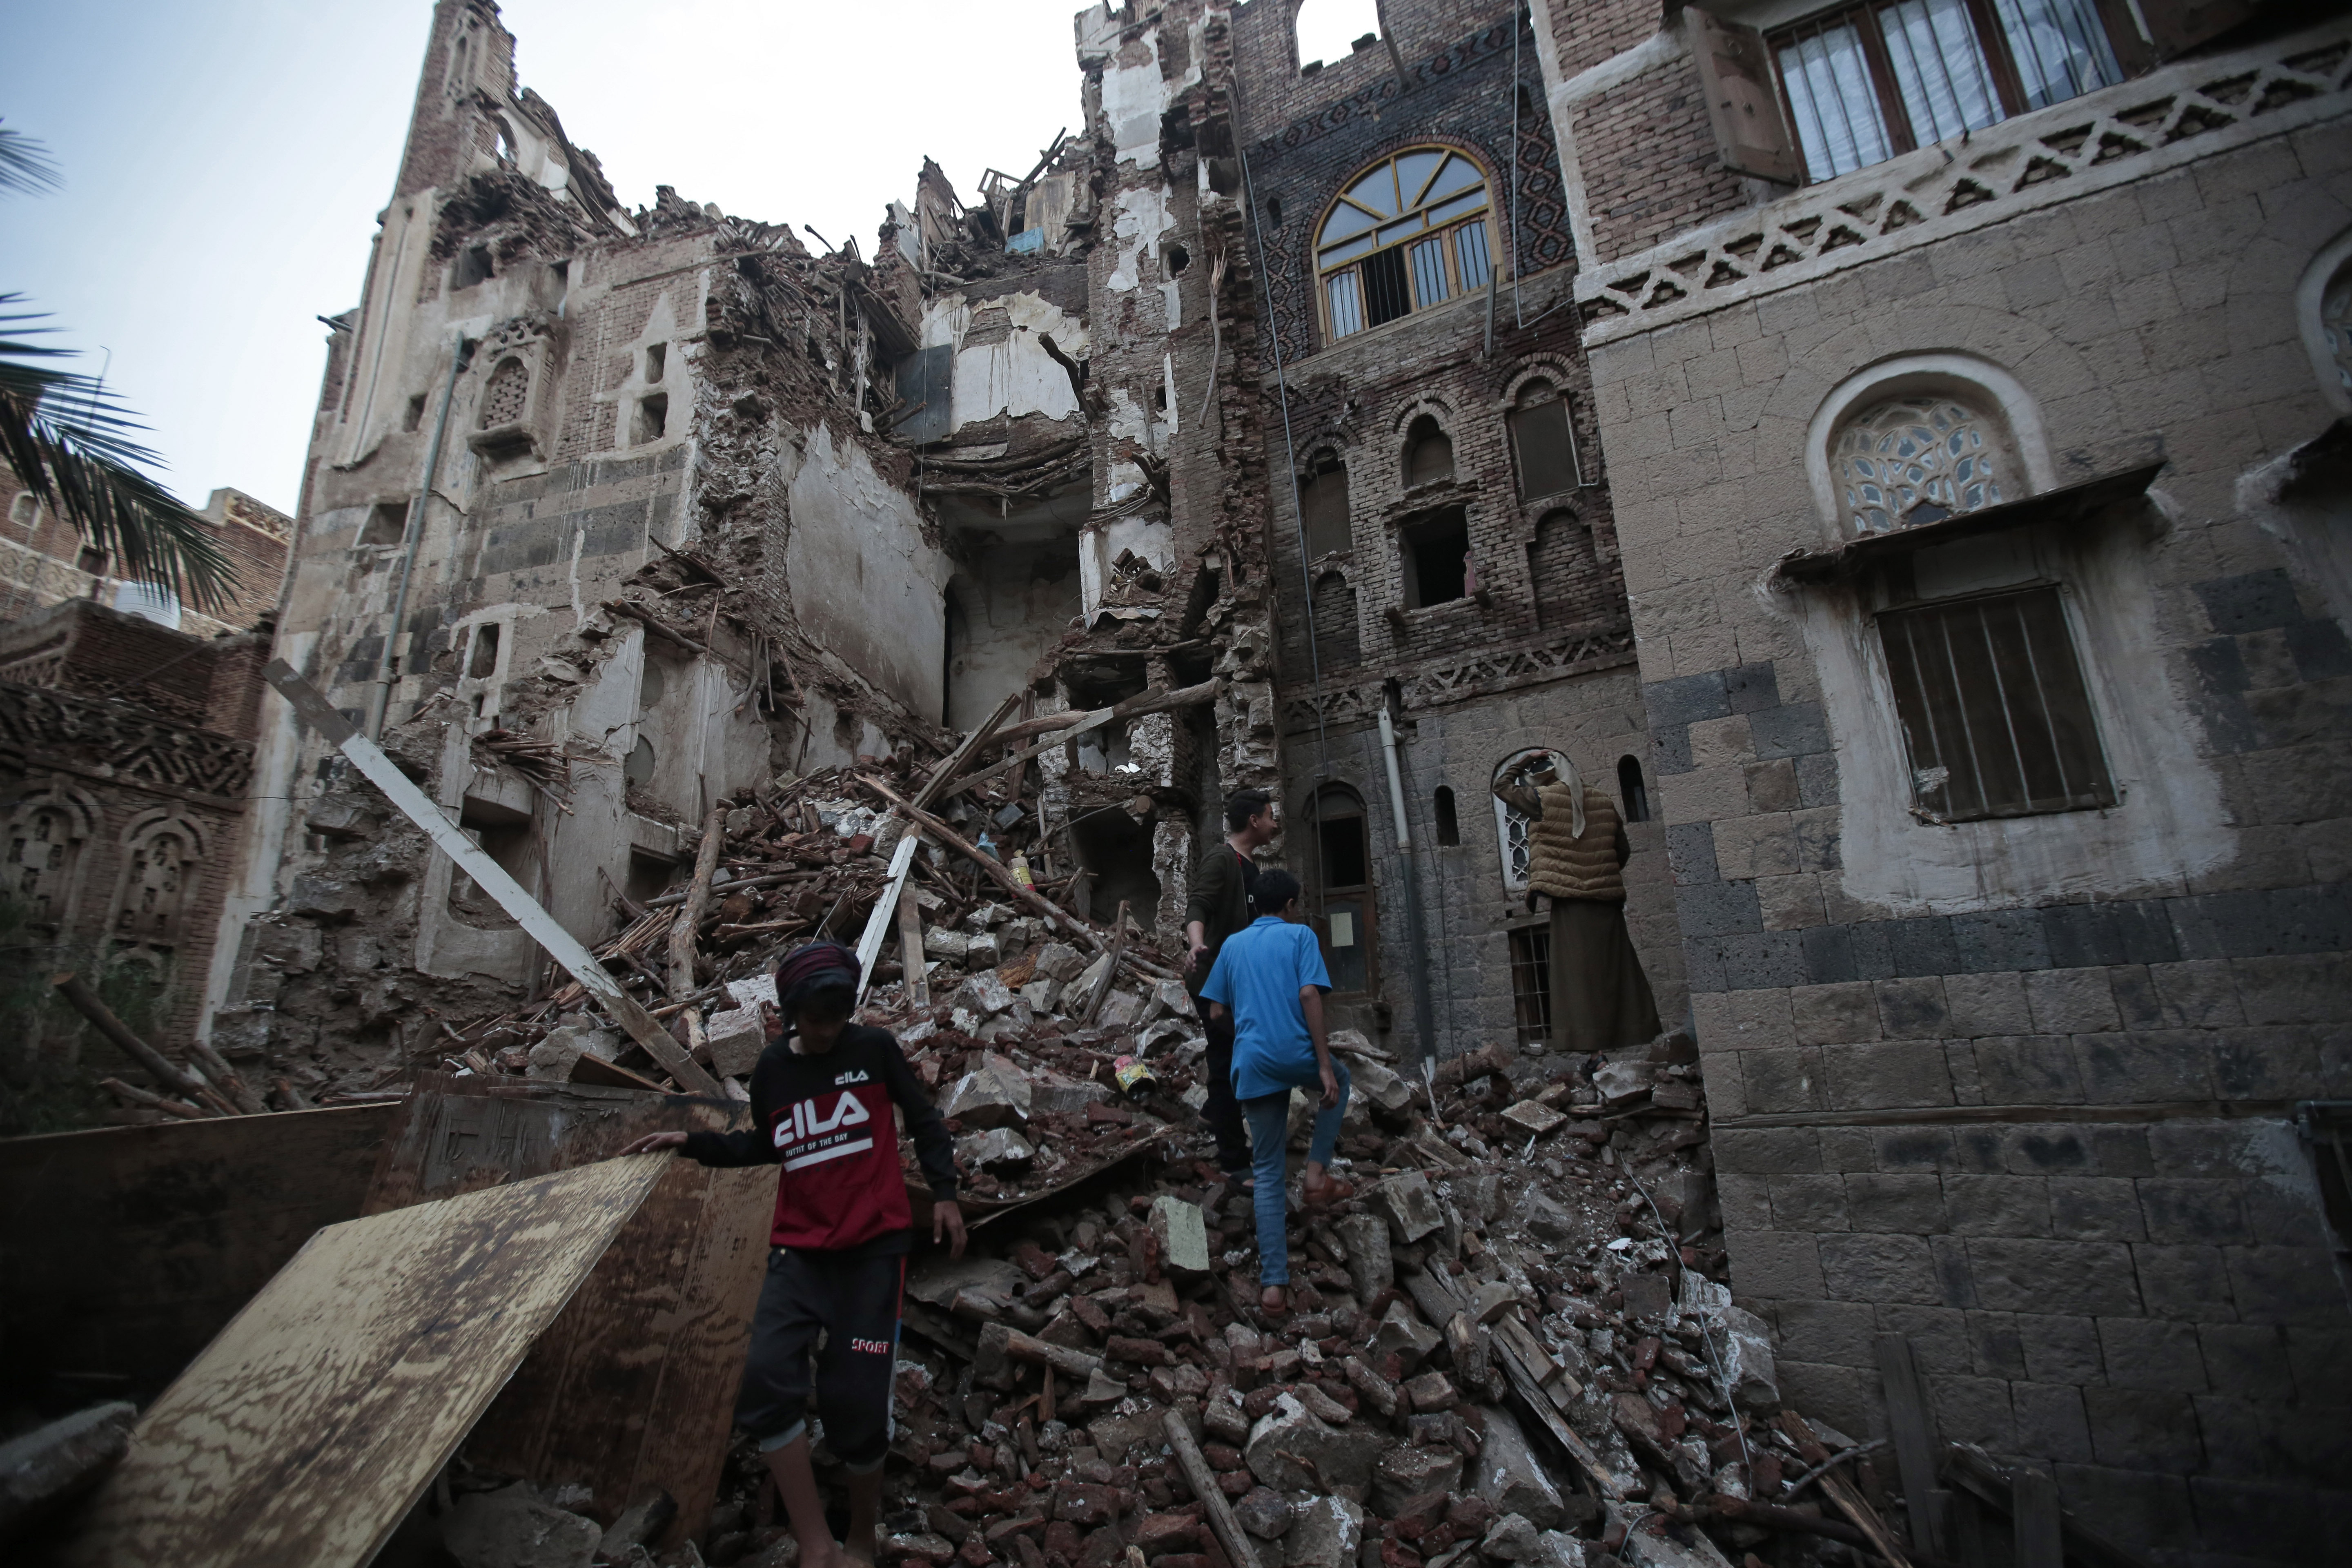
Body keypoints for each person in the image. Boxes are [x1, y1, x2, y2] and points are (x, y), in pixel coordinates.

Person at [620, 942, 964, 1568]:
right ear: (787, 1016)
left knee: (856, 1401)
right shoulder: (775, 1071)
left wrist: (945, 1194)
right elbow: (767, 1146)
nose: (828, 1033)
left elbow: (925, 1119)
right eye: (815, 1022)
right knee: (763, 1378)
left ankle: (862, 1536)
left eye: (837, 1019)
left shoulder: (874, 1050)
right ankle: (816, 1544)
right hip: (800, 1254)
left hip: (873, 1257)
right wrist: (692, 1143)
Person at [1197, 868, 1351, 1316]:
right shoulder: (1300, 936)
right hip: (1296, 1051)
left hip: (1253, 1059)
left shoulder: (1233, 945)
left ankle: (1273, 1287)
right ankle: (1317, 1172)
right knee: (1341, 1080)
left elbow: (1216, 1009)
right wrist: (1322, 1064)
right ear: (1288, 906)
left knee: (1266, 1171)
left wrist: (1248, 1029)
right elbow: (1309, 995)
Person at [1493, 751, 1660, 1053]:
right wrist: (1597, 873)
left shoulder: (1544, 799)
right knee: (1614, 975)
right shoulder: (1603, 801)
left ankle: (1587, 1046)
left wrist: (1524, 761)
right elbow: (1620, 851)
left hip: (1571, 905)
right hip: (1606, 904)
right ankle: (1628, 1036)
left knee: (1577, 981)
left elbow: (1501, 787)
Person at [1183, 787, 1278, 1185]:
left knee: (1238, 1055)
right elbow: (1198, 904)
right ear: (1254, 821)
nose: (1276, 823)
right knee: (1226, 1062)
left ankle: (1211, 1114)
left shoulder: (1251, 870)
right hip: (1213, 979)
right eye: (1271, 816)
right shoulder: (1222, 859)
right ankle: (1234, 1163)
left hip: (1239, 982)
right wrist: (1196, 943)